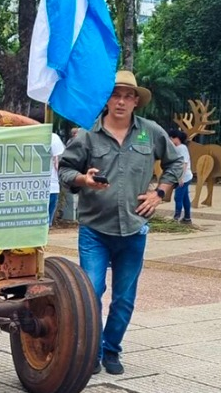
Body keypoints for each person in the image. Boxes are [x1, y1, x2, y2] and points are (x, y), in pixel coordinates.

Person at [59, 71, 183, 375]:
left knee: (125, 297)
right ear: (107, 99)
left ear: (136, 102)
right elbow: (64, 169)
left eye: (128, 96)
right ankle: (92, 352)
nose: (121, 101)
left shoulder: (150, 132)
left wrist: (160, 192)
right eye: (116, 95)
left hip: (134, 227)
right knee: (91, 291)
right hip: (95, 230)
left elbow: (176, 163)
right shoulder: (88, 134)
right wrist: (83, 180)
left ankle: (111, 349)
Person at [28, 105, 65, 226]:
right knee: (44, 226)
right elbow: (58, 163)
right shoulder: (53, 138)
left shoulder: (25, 137)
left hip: (27, 189)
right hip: (50, 187)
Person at [168, 128, 193, 224]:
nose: (170, 141)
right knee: (185, 197)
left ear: (176, 138)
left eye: (171, 138)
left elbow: (184, 163)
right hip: (184, 177)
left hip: (184, 178)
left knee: (178, 197)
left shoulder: (182, 148)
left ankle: (176, 218)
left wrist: (180, 177)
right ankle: (187, 218)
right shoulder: (178, 148)